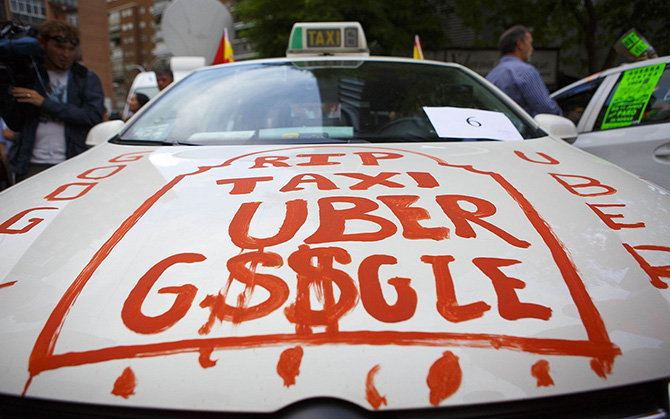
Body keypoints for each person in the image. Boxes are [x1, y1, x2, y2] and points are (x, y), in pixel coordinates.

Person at [3, 20, 104, 181]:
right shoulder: (29, 74)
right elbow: (15, 123)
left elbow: (92, 116)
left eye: (71, 49)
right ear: (42, 43)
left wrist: (44, 103)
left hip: (72, 162)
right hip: (31, 164)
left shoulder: (85, 78)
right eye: (59, 47)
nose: (66, 54)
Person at [486, 25, 562, 117]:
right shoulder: (526, 72)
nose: (532, 48)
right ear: (520, 45)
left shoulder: (491, 76)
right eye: (530, 43)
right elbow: (547, 109)